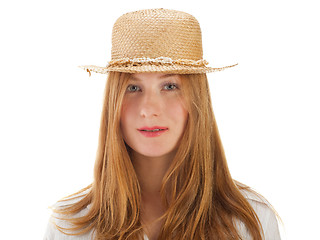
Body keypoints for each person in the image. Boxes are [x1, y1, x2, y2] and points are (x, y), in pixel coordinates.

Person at [44, 8, 281, 240]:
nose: (149, 109)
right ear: (113, 102)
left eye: (169, 86)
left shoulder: (251, 222)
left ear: (196, 100)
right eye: (133, 87)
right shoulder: (68, 226)